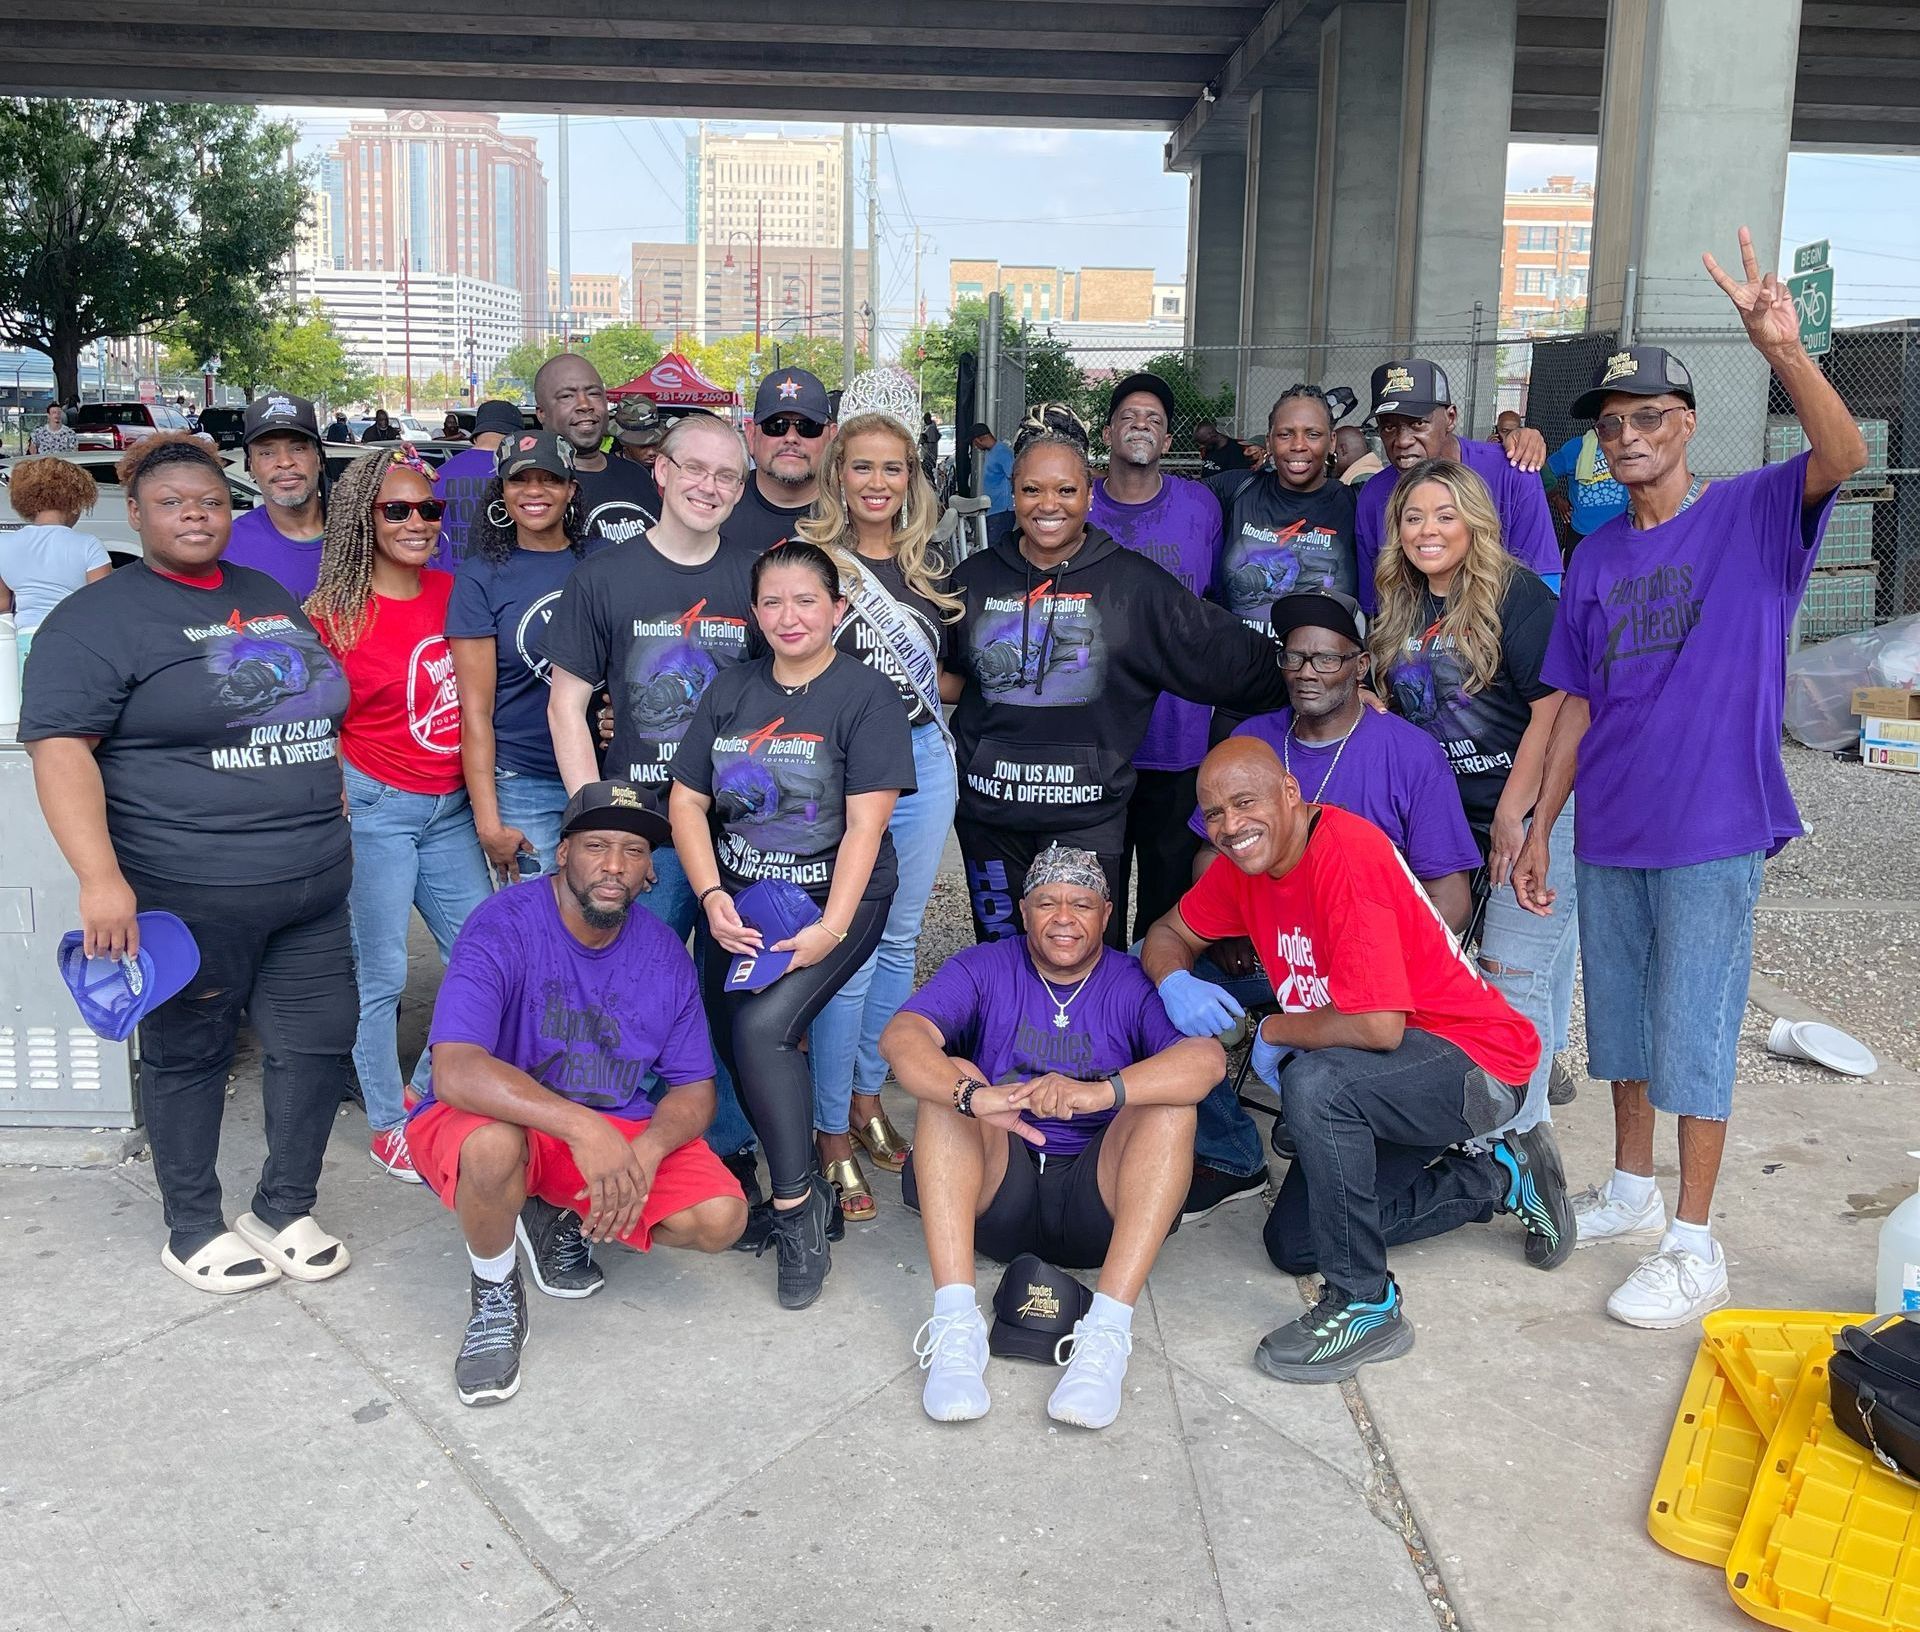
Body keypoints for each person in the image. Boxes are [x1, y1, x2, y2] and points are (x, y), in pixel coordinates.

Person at [1514, 231, 1869, 1329]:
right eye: (1611, 426)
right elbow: (1576, 705)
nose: (1626, 438)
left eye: (1647, 420)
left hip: (1712, 825)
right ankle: (1630, 1187)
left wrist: (1787, 353)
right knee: (1617, 1025)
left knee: (1695, 1030)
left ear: (1687, 427)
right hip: (1611, 823)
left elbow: (1844, 458)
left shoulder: (1754, 515)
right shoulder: (1597, 556)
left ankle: (1697, 1241)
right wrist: (1536, 829)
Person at [19, 433, 356, 1294]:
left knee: (316, 1048)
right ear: (134, 515)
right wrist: (101, 880)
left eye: (210, 501)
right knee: (190, 1053)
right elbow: (60, 751)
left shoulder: (264, 592)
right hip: (188, 888)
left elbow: (313, 700)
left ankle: (283, 1206)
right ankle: (193, 1223)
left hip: (313, 883)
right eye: (171, 503)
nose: (194, 514)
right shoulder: (98, 619)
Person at [1144, 739, 1569, 1383]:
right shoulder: (1244, 869)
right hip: (1387, 1075)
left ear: (1291, 792)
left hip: (1478, 1065)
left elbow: (1377, 1025)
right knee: (1296, 1245)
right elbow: (1167, 933)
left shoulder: (1344, 853)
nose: (1229, 826)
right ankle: (1499, 1178)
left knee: (1316, 1085)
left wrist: (1274, 1026)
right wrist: (1175, 979)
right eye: (1215, 814)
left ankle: (1367, 1303)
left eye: (1244, 803)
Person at [410, 780, 748, 1406]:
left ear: (651, 871)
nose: (615, 865)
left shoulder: (663, 953)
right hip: (501, 1117)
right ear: (563, 852)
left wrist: (644, 1153)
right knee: (491, 1148)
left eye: (634, 851)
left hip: (607, 1124)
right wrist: (582, 1128)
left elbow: (695, 1090)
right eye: (596, 845)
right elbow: (455, 1069)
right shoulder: (503, 924)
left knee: (720, 1219)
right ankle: (494, 1292)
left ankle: (555, 1212)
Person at [879, 845, 1221, 1428]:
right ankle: (957, 1326)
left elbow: (1206, 1061)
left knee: (1170, 1104)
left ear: (1107, 913)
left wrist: (1101, 1093)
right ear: (1023, 910)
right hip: (999, 1192)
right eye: (1048, 903)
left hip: (1097, 1201)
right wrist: (976, 1097)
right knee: (949, 1084)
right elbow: (902, 1036)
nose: (1064, 917)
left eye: (1081, 903)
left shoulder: (1131, 980)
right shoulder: (984, 966)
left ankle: (1105, 1339)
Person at [1174, 589, 1481, 1218]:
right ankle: (1231, 1149)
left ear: (1360, 665)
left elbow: (1449, 896)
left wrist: (1381, 966)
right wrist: (1224, 932)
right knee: (1152, 982)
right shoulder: (1254, 739)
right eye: (1294, 658)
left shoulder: (1407, 751)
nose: (1307, 673)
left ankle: (1321, 1111)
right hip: (1265, 955)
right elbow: (1208, 853)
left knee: (1303, 1227)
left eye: (1326, 660)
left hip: (1364, 969)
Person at [670, 540, 917, 1309]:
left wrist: (832, 930)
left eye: (806, 601)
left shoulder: (865, 695)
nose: (789, 616)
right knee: (722, 1028)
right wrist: (711, 897)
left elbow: (865, 828)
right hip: (743, 902)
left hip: (836, 903)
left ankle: (798, 1210)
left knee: (762, 1031)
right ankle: (762, 1165)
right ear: (755, 613)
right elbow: (687, 801)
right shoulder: (731, 690)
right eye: (772, 602)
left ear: (837, 612)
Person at [948, 406, 1290, 946]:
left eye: (1065, 491)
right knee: (1003, 959)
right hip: (991, 814)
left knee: (1078, 958)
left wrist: (1312, 679)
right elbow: (939, 675)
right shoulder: (972, 580)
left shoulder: (1133, 585)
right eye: (1033, 490)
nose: (1048, 505)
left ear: (1089, 495)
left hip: (1085, 820)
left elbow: (1221, 652)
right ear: (1013, 495)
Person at [540, 413, 762, 1181]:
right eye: (694, 468)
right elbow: (567, 703)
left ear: (743, 487)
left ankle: (728, 1149)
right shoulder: (604, 577)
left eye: (726, 475)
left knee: (735, 1000)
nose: (709, 486)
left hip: (744, 833)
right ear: (660, 472)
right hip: (651, 839)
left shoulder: (755, 577)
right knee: (626, 1000)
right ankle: (609, 1152)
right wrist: (596, 822)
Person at [1372, 458, 1577, 1135]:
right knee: (1466, 975)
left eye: (1444, 515)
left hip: (1536, 805)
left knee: (1513, 975)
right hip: (1452, 817)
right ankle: (1505, 1119)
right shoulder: (1402, 602)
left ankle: (1516, 1142)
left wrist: (1516, 819)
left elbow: (1553, 713)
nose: (1426, 530)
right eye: (1413, 517)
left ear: (1475, 523)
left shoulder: (1514, 596)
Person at [306, 444, 494, 1183]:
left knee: (480, 958)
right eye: (397, 510)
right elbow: (300, 717)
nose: (417, 522)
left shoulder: (456, 590)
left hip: (450, 807)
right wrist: (331, 782)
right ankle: (388, 1121)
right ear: (364, 519)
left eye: (430, 509)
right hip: (378, 806)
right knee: (381, 973)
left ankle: (425, 1087)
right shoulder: (331, 615)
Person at [797, 390, 963, 1220]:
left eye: (891, 468)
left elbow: (951, 676)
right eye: (860, 466)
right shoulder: (811, 563)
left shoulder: (932, 564)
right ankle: (829, 1130)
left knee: (897, 944)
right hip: (838, 777)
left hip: (924, 764)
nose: (876, 482)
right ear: (837, 473)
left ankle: (867, 1098)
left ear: (911, 477)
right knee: (847, 948)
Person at [1088, 370, 1225, 941]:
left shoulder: (1201, 506)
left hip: (1178, 731)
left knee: (1169, 891)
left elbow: (1213, 602)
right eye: (1129, 416)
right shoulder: (1079, 503)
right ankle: (1097, 1007)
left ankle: (1155, 1006)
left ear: (1168, 441)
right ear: (1108, 431)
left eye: (1155, 420)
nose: (1141, 425)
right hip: (1097, 732)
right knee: (1098, 887)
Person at [448, 430, 600, 884]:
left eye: (549, 479)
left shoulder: (603, 561)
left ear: (571, 489)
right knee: (533, 931)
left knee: (602, 923)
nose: (534, 492)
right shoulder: (480, 577)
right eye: (520, 481)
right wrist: (488, 821)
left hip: (600, 774)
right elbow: (475, 711)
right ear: (502, 491)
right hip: (523, 782)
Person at [1353, 360, 1560, 610]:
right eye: (1388, 427)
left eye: (1418, 423)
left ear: (1450, 418)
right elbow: (1376, 605)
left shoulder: (1513, 471)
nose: (1403, 440)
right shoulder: (1373, 495)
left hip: (1501, 637)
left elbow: (1543, 589)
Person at [1211, 384, 1361, 625]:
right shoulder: (1236, 489)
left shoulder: (1355, 503)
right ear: (1269, 442)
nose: (1298, 445)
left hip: (1320, 661)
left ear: (1332, 441)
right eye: (1285, 434)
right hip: (1241, 659)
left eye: (1313, 434)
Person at [534, 353, 659, 547]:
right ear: (541, 413)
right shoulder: (527, 487)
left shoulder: (636, 474)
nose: (584, 405)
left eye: (593, 393)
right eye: (567, 396)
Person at [0, 456, 111, 651]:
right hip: (73, 637)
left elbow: (3, 606)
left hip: (23, 639)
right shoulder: (89, 545)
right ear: (75, 503)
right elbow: (103, 605)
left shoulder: (4, 544)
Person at [224, 391, 328, 600]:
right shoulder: (227, 547)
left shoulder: (362, 534)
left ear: (318, 458)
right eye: (267, 452)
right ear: (250, 466)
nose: (285, 461)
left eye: (298, 448)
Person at [722, 369, 837, 554]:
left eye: (808, 427)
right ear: (751, 435)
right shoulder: (717, 504)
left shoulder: (855, 513)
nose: (791, 437)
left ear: (831, 438)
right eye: (776, 426)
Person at [433, 398, 526, 570]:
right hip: (510, 584)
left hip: (451, 586)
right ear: (515, 437)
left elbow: (430, 541)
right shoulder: (522, 476)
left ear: (475, 437)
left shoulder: (440, 474)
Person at [1545, 426, 1630, 538]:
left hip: (1622, 530)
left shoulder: (1626, 445)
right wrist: (1556, 498)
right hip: (1583, 532)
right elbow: (1545, 473)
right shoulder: (1574, 448)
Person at [969, 422, 1013, 517]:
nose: (975, 447)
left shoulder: (1002, 452)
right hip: (993, 508)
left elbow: (1014, 476)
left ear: (979, 440)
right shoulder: (991, 452)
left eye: (974, 443)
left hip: (1002, 510)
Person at [612, 394, 665, 471]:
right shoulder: (610, 468)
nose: (652, 452)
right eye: (643, 446)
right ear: (623, 442)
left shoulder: (667, 468)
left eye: (657, 444)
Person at [919, 411, 940, 482]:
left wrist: (924, 440)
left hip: (930, 452)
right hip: (926, 451)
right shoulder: (927, 426)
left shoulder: (931, 428)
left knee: (929, 468)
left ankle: (931, 482)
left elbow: (930, 438)